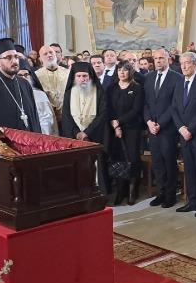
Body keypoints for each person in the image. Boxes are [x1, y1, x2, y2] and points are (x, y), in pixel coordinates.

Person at [61, 62, 109, 192]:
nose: (82, 79)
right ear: (74, 77)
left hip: (95, 135)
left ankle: (99, 193)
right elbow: (66, 116)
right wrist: (77, 132)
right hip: (75, 137)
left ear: (90, 76)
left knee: (97, 166)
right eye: (79, 76)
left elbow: (103, 114)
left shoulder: (99, 92)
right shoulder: (69, 94)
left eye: (85, 76)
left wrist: (87, 132)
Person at [171, 52, 196, 214]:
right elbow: (174, 108)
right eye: (182, 63)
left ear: (195, 64)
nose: (184, 66)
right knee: (190, 170)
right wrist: (180, 128)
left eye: (187, 63)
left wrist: (190, 129)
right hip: (183, 134)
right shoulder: (180, 82)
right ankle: (191, 201)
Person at [144, 48, 180, 208]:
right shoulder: (149, 77)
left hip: (168, 129)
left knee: (169, 162)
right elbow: (145, 103)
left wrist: (161, 123)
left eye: (161, 58)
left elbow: (175, 105)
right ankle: (161, 193)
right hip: (152, 129)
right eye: (156, 58)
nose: (158, 61)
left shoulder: (176, 78)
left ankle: (170, 195)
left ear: (168, 59)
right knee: (157, 162)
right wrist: (149, 122)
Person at [107, 61, 144, 205]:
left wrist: (119, 122)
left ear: (130, 72)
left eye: (125, 70)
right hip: (114, 128)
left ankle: (132, 191)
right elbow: (108, 108)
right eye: (119, 70)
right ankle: (120, 191)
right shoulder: (111, 88)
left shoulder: (136, 88)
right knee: (118, 159)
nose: (122, 73)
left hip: (132, 128)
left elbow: (136, 110)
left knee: (132, 158)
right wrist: (115, 125)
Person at [18, 65, 58, 136]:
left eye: (26, 74)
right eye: (20, 75)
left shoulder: (40, 94)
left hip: (40, 132)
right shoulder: (12, 94)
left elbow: (48, 118)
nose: (24, 77)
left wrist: (37, 128)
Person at [35, 45, 70, 121]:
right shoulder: (36, 75)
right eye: (45, 54)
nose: (49, 55)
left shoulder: (68, 73)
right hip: (46, 118)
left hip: (67, 115)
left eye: (51, 52)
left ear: (55, 55)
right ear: (40, 58)